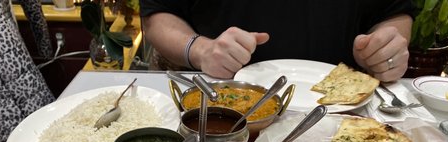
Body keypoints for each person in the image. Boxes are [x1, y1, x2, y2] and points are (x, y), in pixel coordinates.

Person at [139, 1, 415, 82]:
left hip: (341, 109)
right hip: (219, 101)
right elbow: (158, 16)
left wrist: (386, 46)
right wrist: (202, 50)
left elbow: (394, 12)